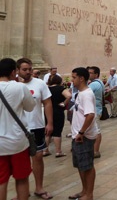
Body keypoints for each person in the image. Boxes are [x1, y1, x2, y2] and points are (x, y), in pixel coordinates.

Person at [17, 58, 54, 200]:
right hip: (20, 128)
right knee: (21, 160)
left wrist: (49, 123)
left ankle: (39, 188)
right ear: (18, 70)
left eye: (29, 69)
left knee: (38, 158)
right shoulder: (14, 85)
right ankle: (23, 191)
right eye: (24, 69)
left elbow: (48, 103)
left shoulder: (40, 84)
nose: (28, 72)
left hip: (37, 126)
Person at [0, 58, 36, 200]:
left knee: (1, 180)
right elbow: (30, 107)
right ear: (13, 72)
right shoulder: (20, 87)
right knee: (21, 178)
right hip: (18, 142)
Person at [69, 67, 98, 200]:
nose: (72, 80)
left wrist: (81, 132)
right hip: (77, 136)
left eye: (74, 77)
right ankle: (84, 191)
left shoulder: (86, 94)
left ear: (81, 78)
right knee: (81, 165)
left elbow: (90, 115)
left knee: (87, 166)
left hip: (83, 137)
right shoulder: (80, 93)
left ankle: (89, 194)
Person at [42, 75, 71, 158]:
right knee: (57, 131)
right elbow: (69, 95)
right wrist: (64, 103)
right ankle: (58, 151)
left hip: (47, 111)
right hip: (58, 110)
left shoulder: (46, 89)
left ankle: (45, 150)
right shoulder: (60, 88)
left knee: (48, 131)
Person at [87, 66, 105, 159]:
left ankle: (96, 151)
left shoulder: (93, 85)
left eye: (90, 73)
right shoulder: (100, 83)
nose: (89, 74)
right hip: (98, 109)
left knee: (96, 130)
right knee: (95, 130)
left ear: (96, 74)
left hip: (94, 110)